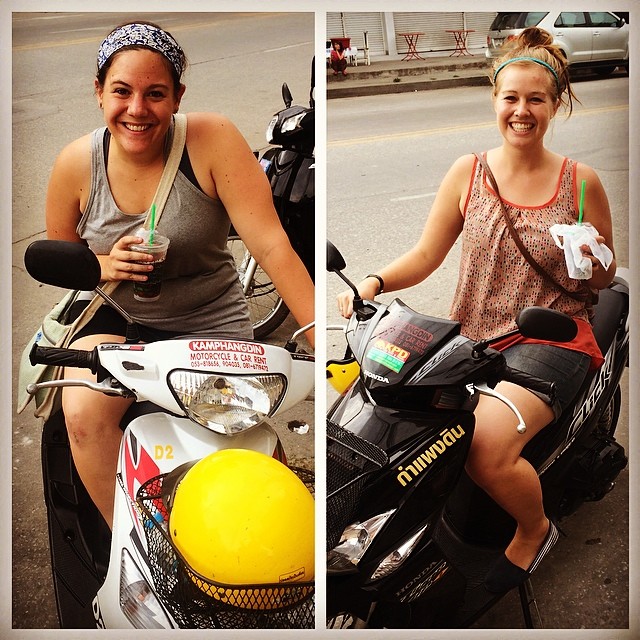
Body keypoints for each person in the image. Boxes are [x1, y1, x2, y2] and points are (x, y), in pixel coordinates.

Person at [337, 27, 616, 593]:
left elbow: (604, 275)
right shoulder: (469, 172)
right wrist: (372, 282)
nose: (522, 111)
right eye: (511, 98)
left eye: (536, 99)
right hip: (473, 339)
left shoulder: (581, 183)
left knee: (485, 450)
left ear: (555, 105)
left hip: (552, 337)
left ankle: (534, 528)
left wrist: (593, 260)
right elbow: (426, 255)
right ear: (494, 100)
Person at [45, 21, 314, 529]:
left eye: (155, 93)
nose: (137, 109)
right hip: (120, 316)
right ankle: (136, 543)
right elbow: (64, 259)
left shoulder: (212, 140)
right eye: (121, 91)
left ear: (177, 97)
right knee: (81, 414)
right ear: (99, 92)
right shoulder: (75, 164)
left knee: (234, 443)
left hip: (209, 320)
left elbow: (271, 244)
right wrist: (103, 264)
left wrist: (320, 335)